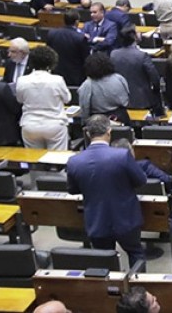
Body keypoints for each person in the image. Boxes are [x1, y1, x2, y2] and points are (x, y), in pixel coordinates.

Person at [66, 115, 147, 269]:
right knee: (136, 253)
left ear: (88, 133)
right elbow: (141, 181)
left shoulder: (74, 161)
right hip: (126, 218)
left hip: (96, 220)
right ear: (109, 132)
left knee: (104, 262)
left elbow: (72, 189)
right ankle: (138, 283)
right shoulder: (122, 156)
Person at [16, 46, 71, 149]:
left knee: (34, 158)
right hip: (54, 124)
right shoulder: (57, 80)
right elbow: (67, 99)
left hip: (30, 125)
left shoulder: (22, 80)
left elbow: (20, 99)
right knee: (56, 158)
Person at [111, 26, 161, 112]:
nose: (140, 33)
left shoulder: (113, 54)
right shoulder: (142, 55)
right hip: (141, 100)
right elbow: (155, 78)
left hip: (120, 99)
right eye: (137, 32)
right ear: (134, 37)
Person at [77, 52, 130, 122]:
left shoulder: (87, 84)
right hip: (120, 117)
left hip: (97, 121)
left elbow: (84, 107)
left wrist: (84, 121)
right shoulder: (119, 78)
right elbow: (126, 100)